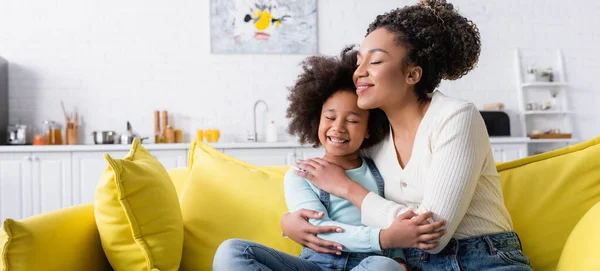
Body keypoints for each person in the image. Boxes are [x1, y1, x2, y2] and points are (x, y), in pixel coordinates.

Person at [284, 0, 534, 270]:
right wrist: (288, 222)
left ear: (412, 74)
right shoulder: (374, 140)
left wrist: (347, 188)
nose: (359, 72)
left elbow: (432, 235)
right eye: (359, 62)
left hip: (483, 260)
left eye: (376, 60)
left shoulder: (456, 116)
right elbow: (328, 175)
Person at [213, 47, 442, 270]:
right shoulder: (300, 174)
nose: (338, 128)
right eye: (330, 117)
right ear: (316, 120)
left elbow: (391, 218)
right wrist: (383, 239)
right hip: (315, 263)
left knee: (383, 265)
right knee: (232, 251)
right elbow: (317, 229)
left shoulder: (380, 169)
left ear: (369, 129)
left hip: (367, 263)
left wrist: (398, 257)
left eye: (352, 121)